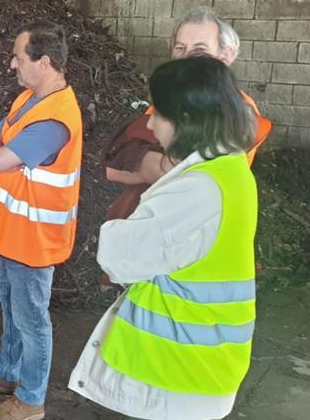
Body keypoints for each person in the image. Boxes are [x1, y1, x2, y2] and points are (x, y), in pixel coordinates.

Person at [69, 56, 258, 420]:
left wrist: (111, 225)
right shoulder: (230, 167)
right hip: (202, 365)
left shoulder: (198, 191)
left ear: (186, 119)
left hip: (176, 371)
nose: (150, 123)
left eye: (159, 113)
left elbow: (119, 257)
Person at [0, 22, 83, 420]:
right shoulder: (31, 100)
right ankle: (7, 371)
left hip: (33, 240)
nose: (11, 63)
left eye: (18, 57)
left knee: (32, 321)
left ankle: (30, 401)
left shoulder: (53, 122)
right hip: (11, 232)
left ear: (44, 62)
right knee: (10, 303)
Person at [104, 6, 271, 221]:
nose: (186, 58)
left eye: (199, 50)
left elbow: (169, 171)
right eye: (180, 48)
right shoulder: (168, 102)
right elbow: (115, 168)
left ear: (226, 55)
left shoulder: (241, 112)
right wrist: (145, 163)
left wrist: (143, 162)